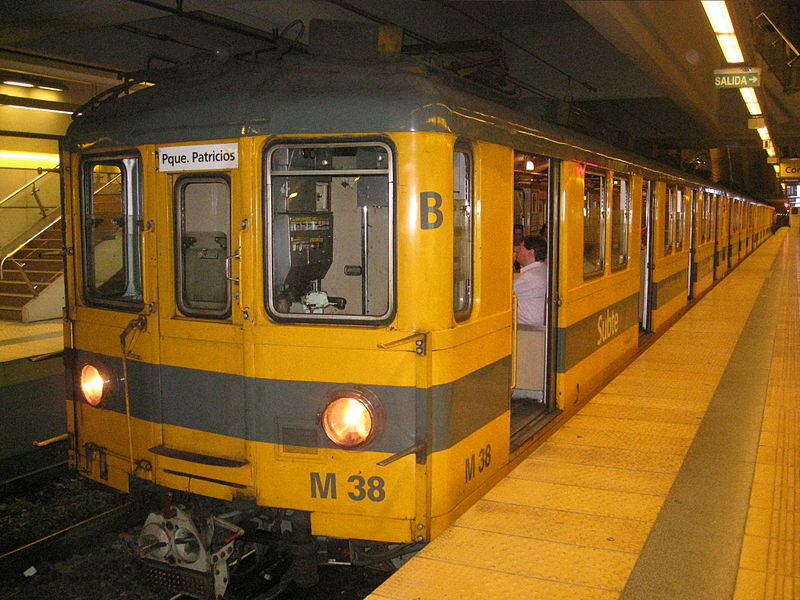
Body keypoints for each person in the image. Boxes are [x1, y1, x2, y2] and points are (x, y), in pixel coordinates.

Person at [513, 234, 547, 325]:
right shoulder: (543, 269)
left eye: (520, 248)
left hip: (526, 329)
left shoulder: (530, 276)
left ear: (530, 252)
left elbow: (502, 293)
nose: (516, 251)